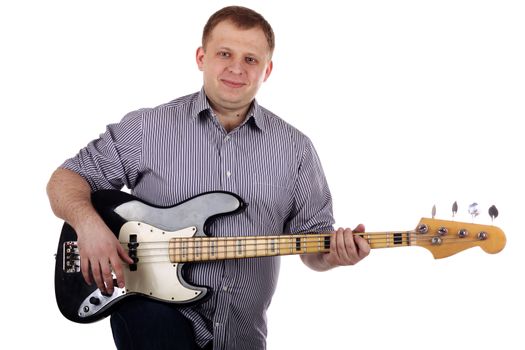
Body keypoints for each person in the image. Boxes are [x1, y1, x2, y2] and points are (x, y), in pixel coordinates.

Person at [47, 5, 370, 350]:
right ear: (201, 57)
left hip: (243, 336)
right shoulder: (147, 128)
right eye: (225, 54)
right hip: (152, 318)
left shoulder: (296, 149)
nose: (236, 68)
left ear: (268, 70)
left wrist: (334, 255)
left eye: (251, 59)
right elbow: (65, 180)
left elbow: (312, 244)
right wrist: (90, 226)